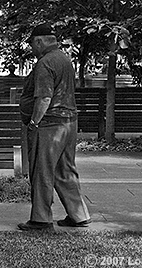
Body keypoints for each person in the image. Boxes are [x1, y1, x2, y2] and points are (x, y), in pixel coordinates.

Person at [18, 23, 91, 231]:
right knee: (65, 169)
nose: (32, 48)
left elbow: (44, 97)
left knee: (42, 171)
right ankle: (79, 215)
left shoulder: (45, 62)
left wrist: (34, 122)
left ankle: (41, 219)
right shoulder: (64, 59)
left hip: (50, 124)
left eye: (32, 43)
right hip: (68, 123)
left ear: (40, 41)